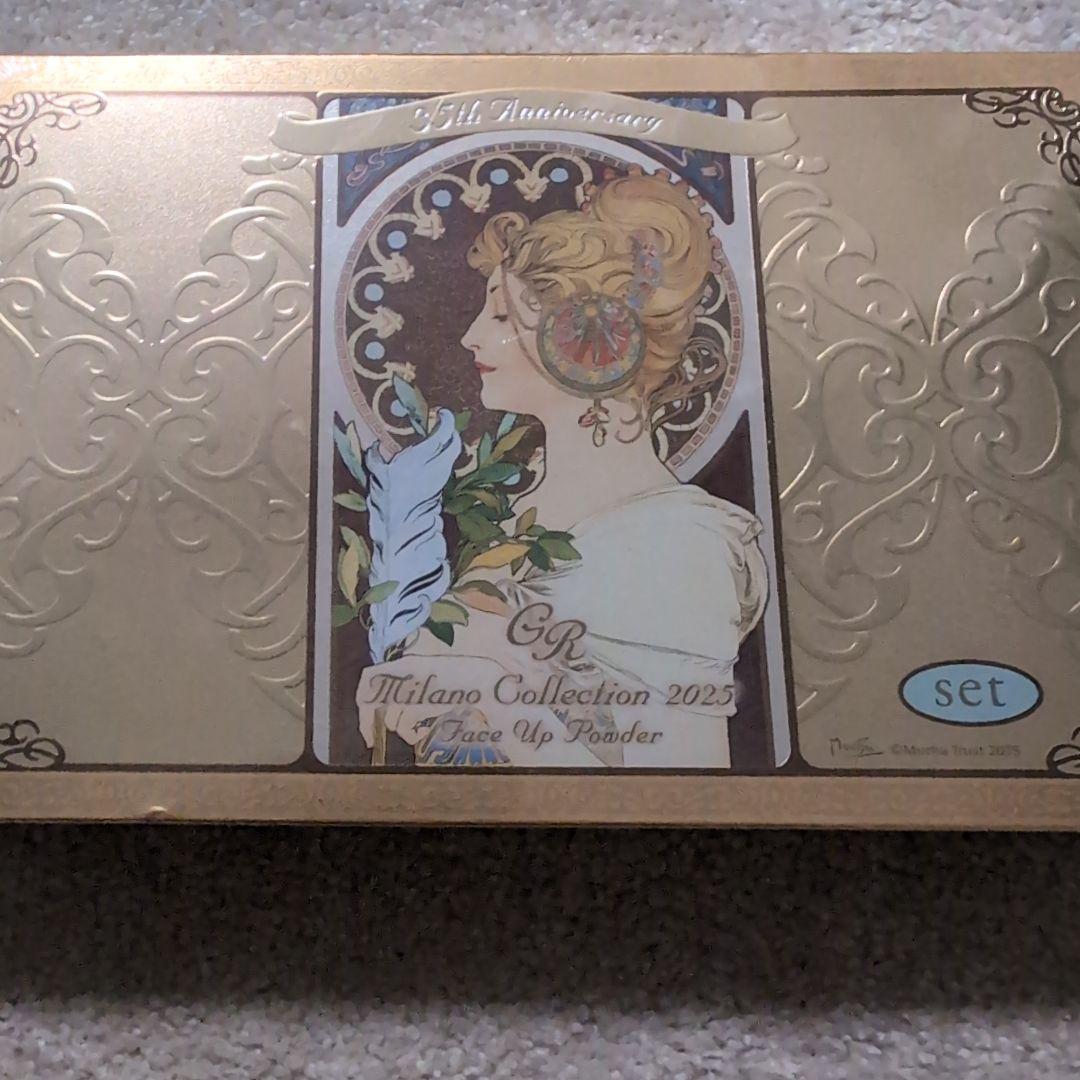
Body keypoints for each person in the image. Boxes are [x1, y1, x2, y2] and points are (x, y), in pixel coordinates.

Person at [356, 169, 767, 767]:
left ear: (585, 342)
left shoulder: (680, 544)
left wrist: (482, 694)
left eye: (501, 317)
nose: (470, 337)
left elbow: (681, 786)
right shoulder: (515, 515)